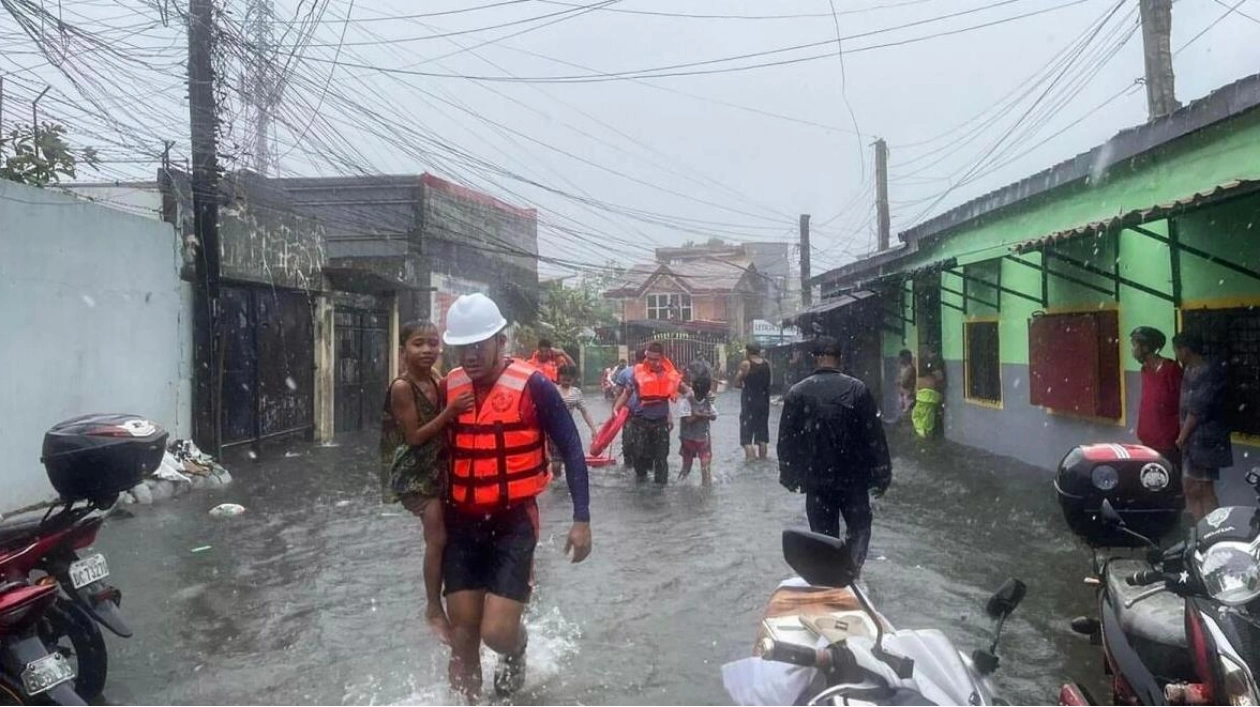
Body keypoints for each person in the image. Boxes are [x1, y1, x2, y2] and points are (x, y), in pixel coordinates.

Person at [439, 293, 593, 698]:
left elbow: (572, 448)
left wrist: (582, 519)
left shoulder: (535, 385)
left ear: (500, 342)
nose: (470, 356)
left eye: (479, 345)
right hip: (462, 522)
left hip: (513, 522)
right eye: (462, 347)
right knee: (463, 634)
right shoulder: (450, 386)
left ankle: (518, 648)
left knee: (497, 632)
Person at [380, 320, 475, 644]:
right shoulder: (402, 387)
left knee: (448, 536)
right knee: (437, 536)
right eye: (418, 344)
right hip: (413, 472)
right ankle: (433, 608)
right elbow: (415, 436)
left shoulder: (436, 378)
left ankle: (457, 593)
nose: (427, 351)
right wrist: (449, 412)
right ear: (403, 348)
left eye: (433, 344)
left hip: (437, 468)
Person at [777, 336, 891, 572]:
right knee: (859, 529)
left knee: (823, 536)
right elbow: (875, 437)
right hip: (854, 480)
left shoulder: (797, 392)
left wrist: (789, 474)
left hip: (817, 482)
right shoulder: (858, 390)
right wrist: (882, 474)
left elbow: (786, 441)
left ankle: (831, 578)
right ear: (841, 359)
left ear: (815, 359)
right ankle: (853, 570)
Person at [1173, 332, 1234, 520]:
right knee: (1190, 487)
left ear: (1185, 350)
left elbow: (1197, 409)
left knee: (1205, 488)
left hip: (1205, 440)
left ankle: (1213, 528)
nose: (1176, 355)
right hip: (1192, 442)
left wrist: (1181, 437)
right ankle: (1200, 528)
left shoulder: (1207, 372)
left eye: (1177, 350)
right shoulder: (1189, 370)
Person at [613, 341, 685, 484]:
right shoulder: (637, 374)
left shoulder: (670, 375)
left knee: (661, 459)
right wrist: (616, 408)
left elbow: (685, 390)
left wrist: (701, 399)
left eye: (655, 359)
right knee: (639, 459)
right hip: (640, 422)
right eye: (649, 358)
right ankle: (641, 494)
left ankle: (660, 494)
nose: (652, 362)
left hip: (660, 423)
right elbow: (627, 393)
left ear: (662, 358)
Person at [1131, 327, 1183, 467]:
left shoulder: (1171, 370)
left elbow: (1183, 404)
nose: (1133, 350)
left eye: (1135, 345)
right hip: (1147, 440)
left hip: (1167, 443)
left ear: (1146, 347)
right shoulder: (1145, 370)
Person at [553, 364, 598, 479]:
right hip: (553, 430)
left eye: (569, 380)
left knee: (571, 460)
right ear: (559, 377)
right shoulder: (553, 390)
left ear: (573, 379)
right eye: (564, 379)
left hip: (569, 430)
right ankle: (556, 483)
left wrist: (593, 429)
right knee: (556, 462)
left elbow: (585, 412)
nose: (566, 382)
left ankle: (569, 485)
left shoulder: (576, 392)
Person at [734, 343, 773, 461]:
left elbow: (736, 382)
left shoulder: (746, 364)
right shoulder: (767, 364)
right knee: (762, 437)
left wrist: (746, 386)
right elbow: (768, 383)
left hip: (749, 403)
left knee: (746, 437)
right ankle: (762, 461)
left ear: (748, 352)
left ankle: (750, 462)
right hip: (764, 403)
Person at [677, 375, 718, 485]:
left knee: (691, 467)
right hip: (693, 439)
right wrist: (703, 415)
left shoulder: (704, 401)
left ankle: (680, 486)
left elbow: (714, 416)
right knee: (697, 467)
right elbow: (688, 419)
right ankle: (706, 491)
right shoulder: (687, 401)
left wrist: (703, 415)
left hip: (694, 439)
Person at [615, 349, 645, 468]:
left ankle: (630, 466)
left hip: (635, 414)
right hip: (633, 414)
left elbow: (617, 393)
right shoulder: (626, 373)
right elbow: (619, 393)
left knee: (630, 442)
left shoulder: (625, 373)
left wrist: (616, 408)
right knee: (634, 443)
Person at [911, 358, 944, 438]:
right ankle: (928, 431)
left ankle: (927, 431)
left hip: (922, 401)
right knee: (929, 418)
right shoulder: (933, 379)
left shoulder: (920, 380)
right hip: (930, 401)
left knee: (926, 417)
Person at [897, 349, 917, 420]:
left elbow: (904, 382)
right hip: (904, 394)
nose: (899, 360)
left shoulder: (910, 368)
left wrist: (900, 382)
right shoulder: (903, 368)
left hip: (908, 395)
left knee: (907, 415)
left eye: (901, 358)